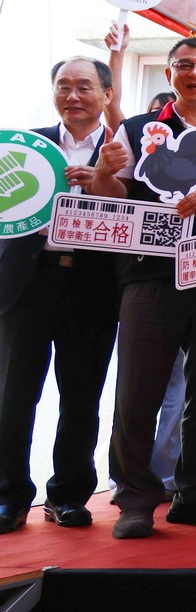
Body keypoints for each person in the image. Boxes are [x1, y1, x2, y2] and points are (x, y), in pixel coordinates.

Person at [92, 37, 196, 539]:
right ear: (169, 74)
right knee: (138, 391)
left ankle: (195, 495)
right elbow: (112, 195)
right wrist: (103, 172)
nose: (195, 73)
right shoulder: (138, 129)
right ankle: (135, 500)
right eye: (184, 65)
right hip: (151, 275)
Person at [0, 58, 120, 534]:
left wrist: (103, 186)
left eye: (84, 87)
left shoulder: (123, 149)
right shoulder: (24, 146)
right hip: (26, 282)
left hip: (92, 284)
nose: (72, 96)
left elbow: (141, 209)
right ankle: (9, 495)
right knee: (13, 396)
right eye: (63, 86)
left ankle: (68, 495)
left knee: (82, 397)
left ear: (106, 94)